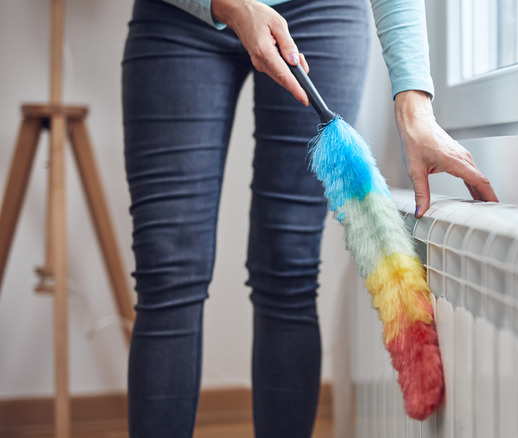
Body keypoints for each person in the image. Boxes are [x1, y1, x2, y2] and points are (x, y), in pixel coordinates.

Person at [121, 0, 497, 436]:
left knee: (288, 268)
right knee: (169, 274)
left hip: (321, 12)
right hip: (179, 19)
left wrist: (416, 109)